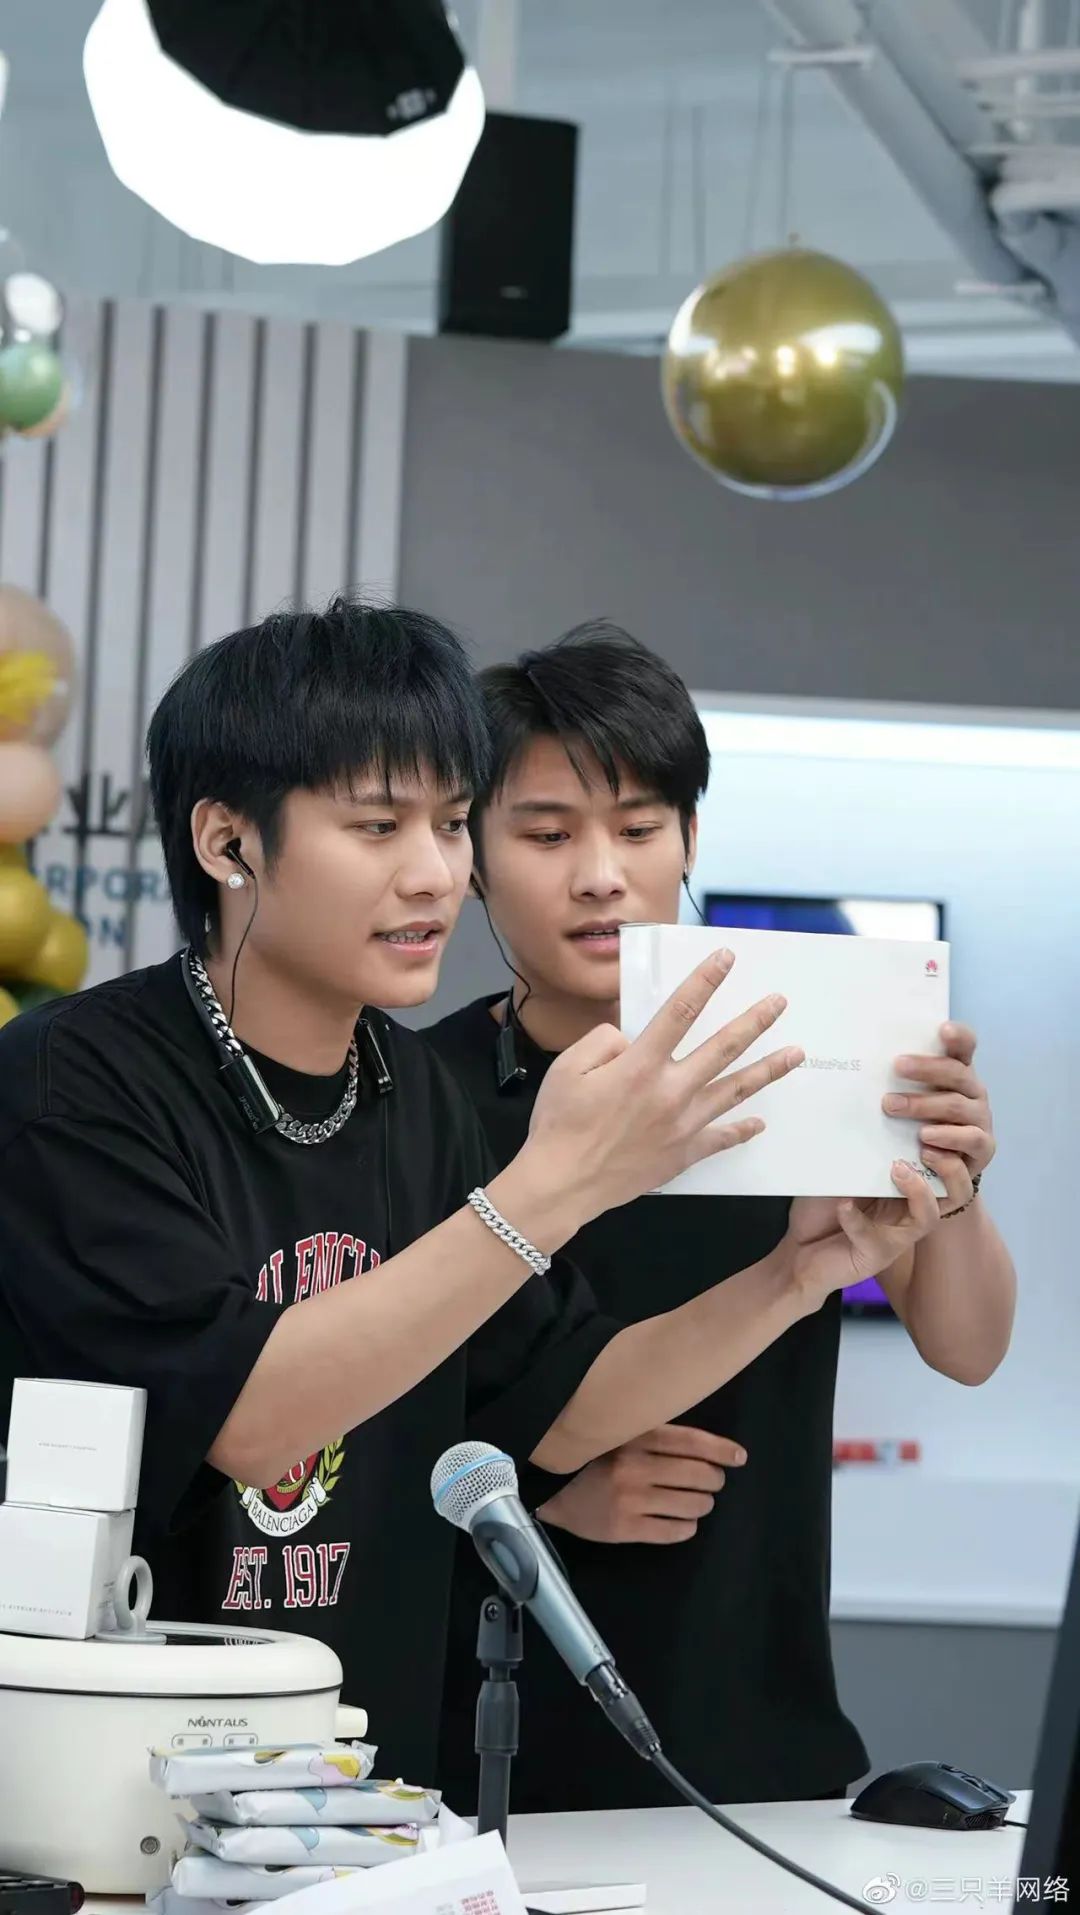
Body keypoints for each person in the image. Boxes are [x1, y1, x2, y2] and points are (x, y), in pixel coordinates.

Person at [0, 600, 944, 1787]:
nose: (436, 874)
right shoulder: (73, 1083)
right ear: (229, 842)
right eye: (378, 825)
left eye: (451, 824)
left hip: (369, 1789)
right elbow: (250, 1420)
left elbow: (564, 1403)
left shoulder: (413, 1100)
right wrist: (552, 1189)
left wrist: (799, 1274)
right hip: (113, 1785)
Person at [426, 621, 1016, 1812]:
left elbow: (968, 1346)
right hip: (488, 1739)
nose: (601, 873)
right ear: (473, 856)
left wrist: (952, 1178)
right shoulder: (423, 1098)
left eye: (640, 828)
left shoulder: (799, 1050)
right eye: (547, 833)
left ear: (690, 836)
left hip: (763, 1729)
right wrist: (541, 1496)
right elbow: (363, 1435)